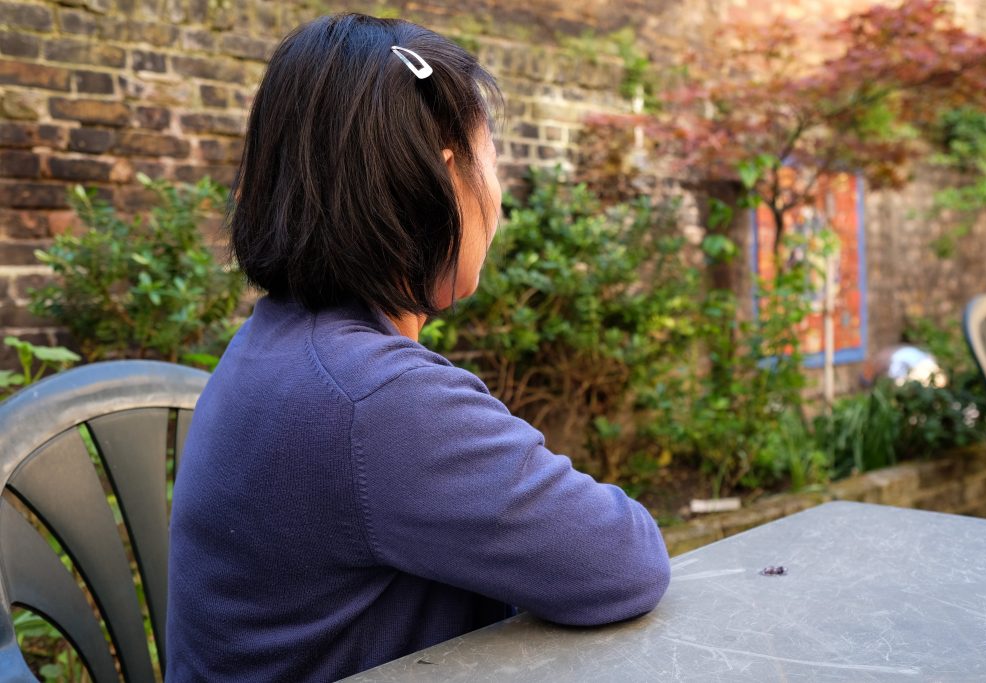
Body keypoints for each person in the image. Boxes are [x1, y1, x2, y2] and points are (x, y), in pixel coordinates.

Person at [166, 13, 670, 682]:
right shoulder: (373, 398)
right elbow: (621, 559)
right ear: (445, 178)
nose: (498, 202)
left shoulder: (280, 347)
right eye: (493, 164)